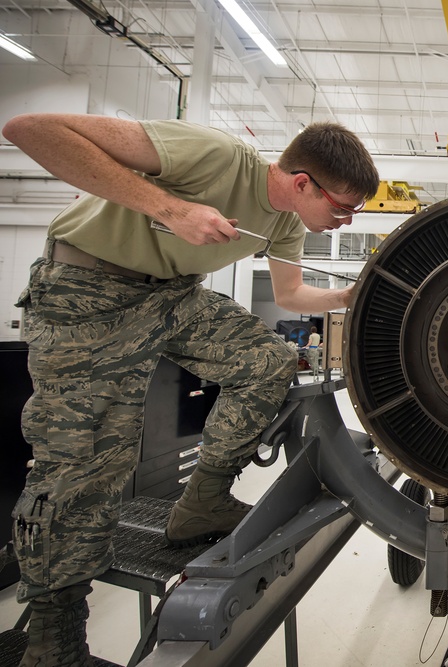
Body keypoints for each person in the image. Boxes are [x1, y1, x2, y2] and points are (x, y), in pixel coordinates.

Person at [3, 113, 380, 666]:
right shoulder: (216, 156)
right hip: (86, 292)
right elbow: (28, 130)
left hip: (171, 297)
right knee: (80, 471)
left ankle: (200, 503)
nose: (345, 221)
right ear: (303, 183)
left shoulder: (286, 223)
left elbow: (293, 294)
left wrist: (354, 296)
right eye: (341, 207)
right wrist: (171, 209)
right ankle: (52, 642)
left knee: (268, 359)